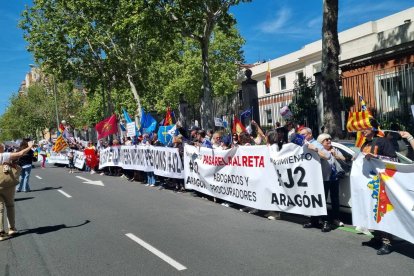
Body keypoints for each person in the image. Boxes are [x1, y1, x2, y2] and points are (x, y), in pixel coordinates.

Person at [360, 120, 398, 255]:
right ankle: (377, 237)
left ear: (374, 128)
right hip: (369, 184)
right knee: (372, 211)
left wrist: (377, 157)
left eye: (366, 127)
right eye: (361, 127)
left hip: (382, 182)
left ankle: (387, 242)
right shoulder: (364, 144)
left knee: (382, 212)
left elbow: (394, 160)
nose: (362, 129)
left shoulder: (382, 141)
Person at [0, 140, 34, 240]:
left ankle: (1, 232)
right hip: (7, 185)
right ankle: (12, 228)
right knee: (10, 205)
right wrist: (29, 147)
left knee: (0, 209)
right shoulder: (4, 155)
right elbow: (20, 153)